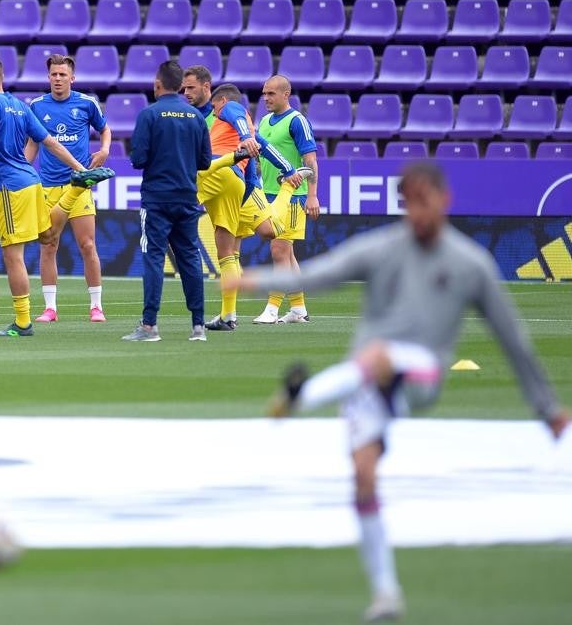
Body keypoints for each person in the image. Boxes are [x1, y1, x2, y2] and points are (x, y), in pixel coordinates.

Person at [228, 162, 570, 622]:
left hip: (421, 373)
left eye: (424, 201)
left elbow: (513, 340)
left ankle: (302, 396)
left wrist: (546, 407)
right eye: (409, 203)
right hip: (369, 383)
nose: (416, 212)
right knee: (363, 476)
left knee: (375, 356)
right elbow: (319, 275)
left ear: (445, 201)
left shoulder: (470, 264)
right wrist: (257, 281)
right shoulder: (383, 248)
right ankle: (386, 594)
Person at [0, 56, 113, 337]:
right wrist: (80, 168)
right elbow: (49, 141)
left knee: (13, 256)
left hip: (10, 187)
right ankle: (77, 186)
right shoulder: (21, 106)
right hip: (32, 181)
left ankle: (23, 322)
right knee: (48, 236)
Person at [203, 84, 309, 332]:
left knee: (271, 233)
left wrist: (289, 178)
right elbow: (265, 147)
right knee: (229, 249)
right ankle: (230, 315)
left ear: (221, 101)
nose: (214, 112)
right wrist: (289, 170)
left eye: (215, 107)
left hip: (239, 186)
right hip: (236, 188)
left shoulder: (231, 109)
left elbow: (245, 130)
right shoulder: (248, 126)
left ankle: (271, 309)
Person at [123, 60, 214, 342]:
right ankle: (198, 326)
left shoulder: (149, 115)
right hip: (187, 198)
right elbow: (205, 161)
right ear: (180, 85)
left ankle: (149, 326)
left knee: (153, 257)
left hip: (157, 199)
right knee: (189, 259)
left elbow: (138, 159)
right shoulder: (196, 117)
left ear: (158, 84)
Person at [26, 54, 112, 324]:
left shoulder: (86, 103)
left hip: (79, 184)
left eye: (63, 75)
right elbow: (32, 144)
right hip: (48, 186)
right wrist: (22, 170)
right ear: (48, 77)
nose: (58, 79)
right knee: (48, 245)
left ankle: (96, 306)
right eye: (54, 74)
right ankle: (50, 308)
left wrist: (105, 149)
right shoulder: (37, 106)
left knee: (87, 245)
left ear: (72, 78)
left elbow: (105, 129)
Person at [253, 74, 320, 325]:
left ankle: (272, 308)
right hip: (269, 194)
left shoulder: (297, 121)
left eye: (271, 93)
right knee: (287, 254)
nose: (266, 98)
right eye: (264, 93)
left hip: (293, 195)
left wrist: (312, 195)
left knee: (279, 249)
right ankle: (299, 309)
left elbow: (310, 161)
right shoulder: (265, 121)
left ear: (285, 94)